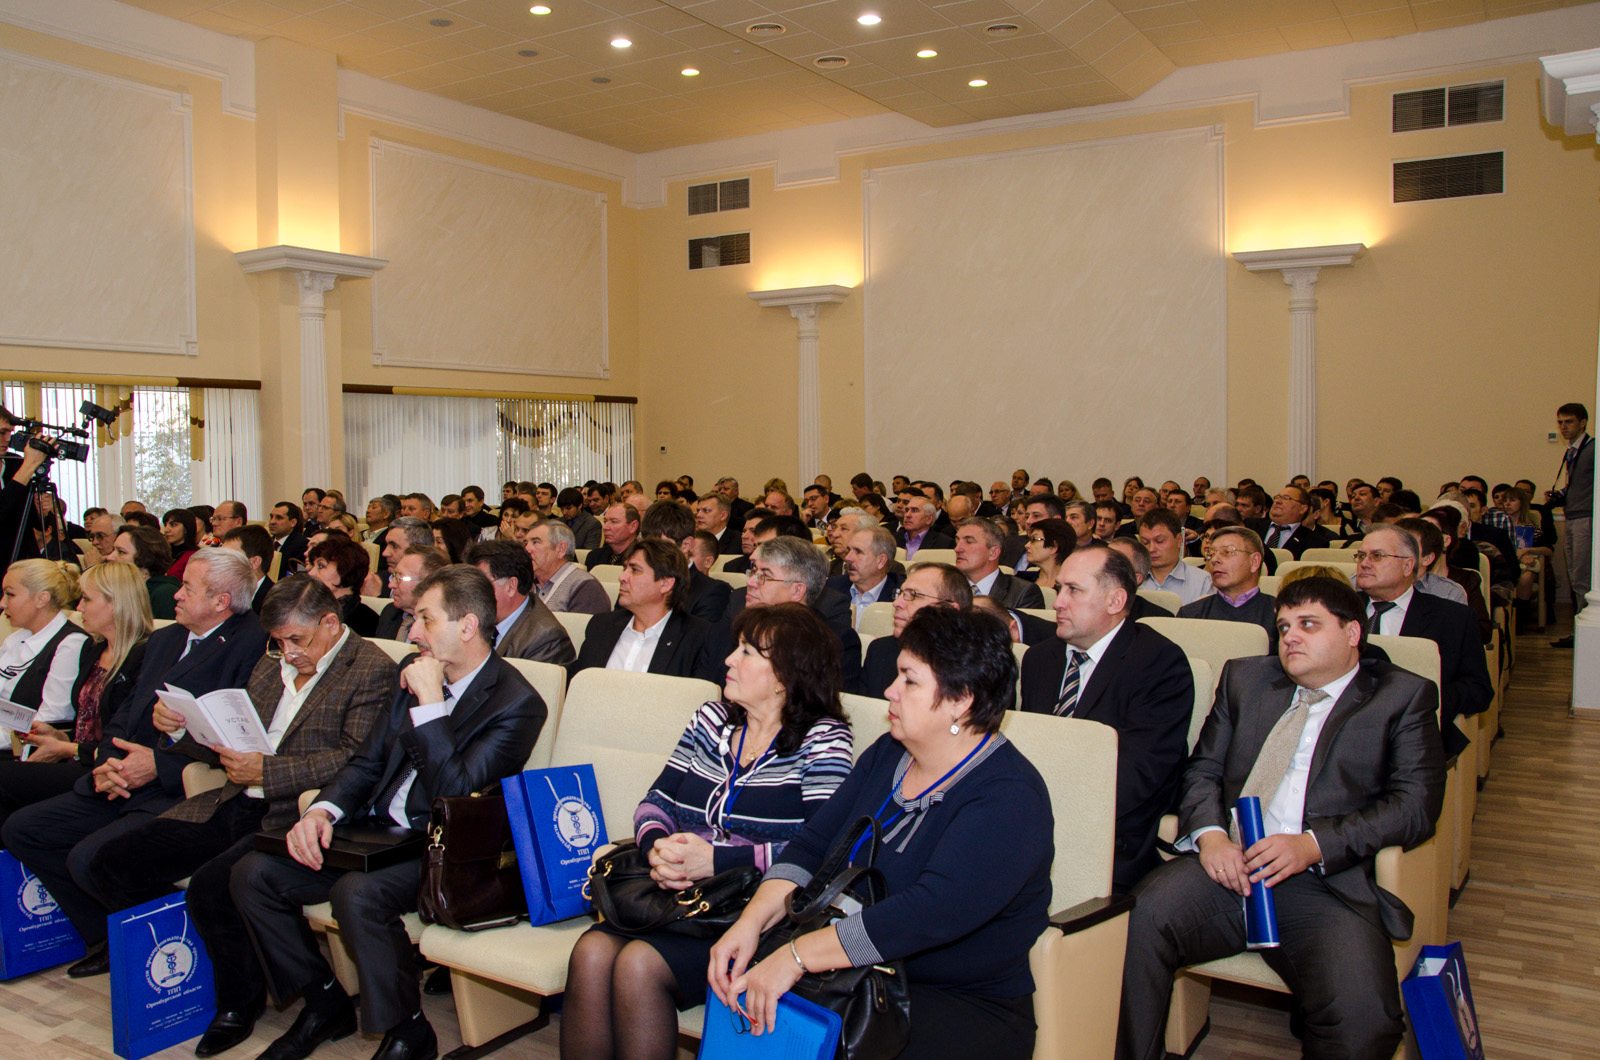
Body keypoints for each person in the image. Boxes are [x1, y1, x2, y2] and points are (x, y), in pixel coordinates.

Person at [1118, 576, 1447, 1060]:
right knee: (1138, 923)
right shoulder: (1246, 679)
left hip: (1324, 882)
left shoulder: (1401, 696)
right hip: (1228, 865)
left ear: (1352, 633)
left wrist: (1313, 845)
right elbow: (1203, 770)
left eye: (1308, 624)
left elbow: (1414, 807)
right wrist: (1211, 837)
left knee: (1365, 1019)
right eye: (1284, 626)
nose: (1290, 636)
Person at [229, 566, 545, 1060]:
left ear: (466, 626)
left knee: (357, 894)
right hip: (375, 834)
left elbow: (454, 795)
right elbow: (366, 762)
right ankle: (324, 1002)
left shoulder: (517, 703)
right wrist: (323, 812)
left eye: (425, 619)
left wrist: (430, 703)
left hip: (442, 848)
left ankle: (408, 1029)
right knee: (253, 875)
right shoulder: (413, 672)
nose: (413, 632)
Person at [75, 576, 398, 1057]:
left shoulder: (371, 669)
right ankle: (202, 963)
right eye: (279, 641)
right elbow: (229, 739)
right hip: (233, 798)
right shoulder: (272, 663)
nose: (288, 652)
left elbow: (356, 761)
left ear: (331, 623)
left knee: (215, 885)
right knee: (112, 861)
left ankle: (240, 1001)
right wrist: (180, 729)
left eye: (297, 640)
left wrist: (268, 771)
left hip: (297, 811)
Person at [712, 606, 1052, 1060]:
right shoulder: (890, 752)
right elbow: (812, 844)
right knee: (750, 1011)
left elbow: (926, 914)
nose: (890, 691)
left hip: (954, 1002)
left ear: (961, 700)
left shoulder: (1009, 797)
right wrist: (751, 923)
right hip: (853, 973)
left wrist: (796, 957)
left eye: (909, 681)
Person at [562, 603, 855, 1060]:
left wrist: (717, 860)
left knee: (639, 964)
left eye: (747, 652)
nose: (729, 660)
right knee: (591, 953)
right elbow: (655, 801)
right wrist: (657, 847)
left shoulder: (823, 739)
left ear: (785, 675)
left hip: (752, 917)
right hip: (674, 900)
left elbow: (824, 849)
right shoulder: (711, 719)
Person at [2, 547, 267, 977]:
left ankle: (175, 946)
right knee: (24, 829)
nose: (175, 595)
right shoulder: (165, 640)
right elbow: (125, 713)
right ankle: (108, 934)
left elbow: (244, 736)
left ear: (221, 601)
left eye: (187, 588)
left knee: (90, 858)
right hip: (124, 774)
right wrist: (108, 760)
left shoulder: (254, 644)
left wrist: (156, 766)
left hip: (183, 787)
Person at [1019, 544, 1193, 891]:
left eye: (1074, 590)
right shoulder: (1040, 658)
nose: (1057, 602)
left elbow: (1138, 779)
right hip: (1027, 823)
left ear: (1115, 601)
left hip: (1108, 839)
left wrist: (1043, 814)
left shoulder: (1160, 664)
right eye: (1059, 589)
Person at [0, 562, 151, 831]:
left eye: (87, 599)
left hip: (103, 766)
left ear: (115, 603)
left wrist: (67, 746)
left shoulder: (144, 656)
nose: (78, 607)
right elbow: (84, 724)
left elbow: (124, 738)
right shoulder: (96, 651)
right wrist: (59, 736)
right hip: (78, 756)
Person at [1353, 525, 1493, 757]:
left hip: (1416, 738)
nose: (1364, 563)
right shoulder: (1337, 612)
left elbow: (1478, 690)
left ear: (1408, 565)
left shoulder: (1452, 617)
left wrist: (1420, 699)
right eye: (1360, 556)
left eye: (1376, 556)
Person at [569, 539, 710, 679]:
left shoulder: (698, 638)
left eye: (635, 570)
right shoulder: (601, 626)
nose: (622, 577)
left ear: (665, 584)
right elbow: (577, 685)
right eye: (625, 569)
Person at [856, 563, 972, 698]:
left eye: (913, 595)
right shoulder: (880, 651)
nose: (896, 603)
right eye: (901, 593)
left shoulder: (972, 666)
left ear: (949, 609)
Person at [0, 559, 91, 725]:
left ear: (42, 599)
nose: (3, 603)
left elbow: (51, 718)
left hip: (19, 739)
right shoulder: (16, 639)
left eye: (10, 594)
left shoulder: (70, 645)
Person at [465, 539, 576, 665]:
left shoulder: (547, 639)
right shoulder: (476, 619)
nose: (472, 594)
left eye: (481, 585)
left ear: (511, 587)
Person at [1177, 526, 1278, 651]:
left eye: (1227, 552)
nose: (1214, 560)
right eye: (1211, 554)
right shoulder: (1190, 615)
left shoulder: (1279, 614)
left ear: (1254, 561)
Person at [953, 517, 1045, 609]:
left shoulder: (1022, 593)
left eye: (969, 542)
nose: (957, 549)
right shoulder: (948, 587)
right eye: (957, 541)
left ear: (993, 553)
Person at [826, 525, 903, 629]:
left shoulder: (902, 597)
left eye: (858, 552)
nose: (848, 557)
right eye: (849, 550)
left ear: (880, 561)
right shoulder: (832, 587)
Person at [304, 534, 381, 637]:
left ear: (345, 571)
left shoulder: (367, 622)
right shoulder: (305, 608)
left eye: (321, 566)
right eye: (313, 566)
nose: (311, 573)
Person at [1136, 509, 1212, 606]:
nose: (1151, 549)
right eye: (1145, 542)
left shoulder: (1202, 581)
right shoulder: (1131, 579)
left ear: (1179, 540)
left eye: (1160, 541)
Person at [375, 545, 448, 641]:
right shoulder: (390, 613)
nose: (391, 585)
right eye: (394, 576)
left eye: (399, 578)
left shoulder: (442, 628)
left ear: (428, 583)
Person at [110, 523, 179, 620]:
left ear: (145, 560)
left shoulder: (164, 593)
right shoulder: (125, 589)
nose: (110, 557)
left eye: (121, 552)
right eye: (113, 550)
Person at [1019, 517, 1075, 587]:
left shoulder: (1071, 586)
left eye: (1034, 539)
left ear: (1053, 547)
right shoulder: (1021, 580)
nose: (1027, 545)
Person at [586, 502, 641, 569]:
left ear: (633, 527)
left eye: (614, 522)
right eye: (605, 521)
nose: (605, 527)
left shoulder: (644, 559)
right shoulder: (594, 557)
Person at [160, 508, 202, 580]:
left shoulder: (194, 557)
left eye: (173, 525)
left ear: (186, 528)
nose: (166, 530)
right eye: (165, 525)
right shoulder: (162, 554)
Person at [560, 487, 603, 551]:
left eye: (568, 508)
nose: (564, 512)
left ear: (579, 505)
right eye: (562, 509)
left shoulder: (592, 524)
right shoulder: (557, 522)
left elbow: (589, 552)